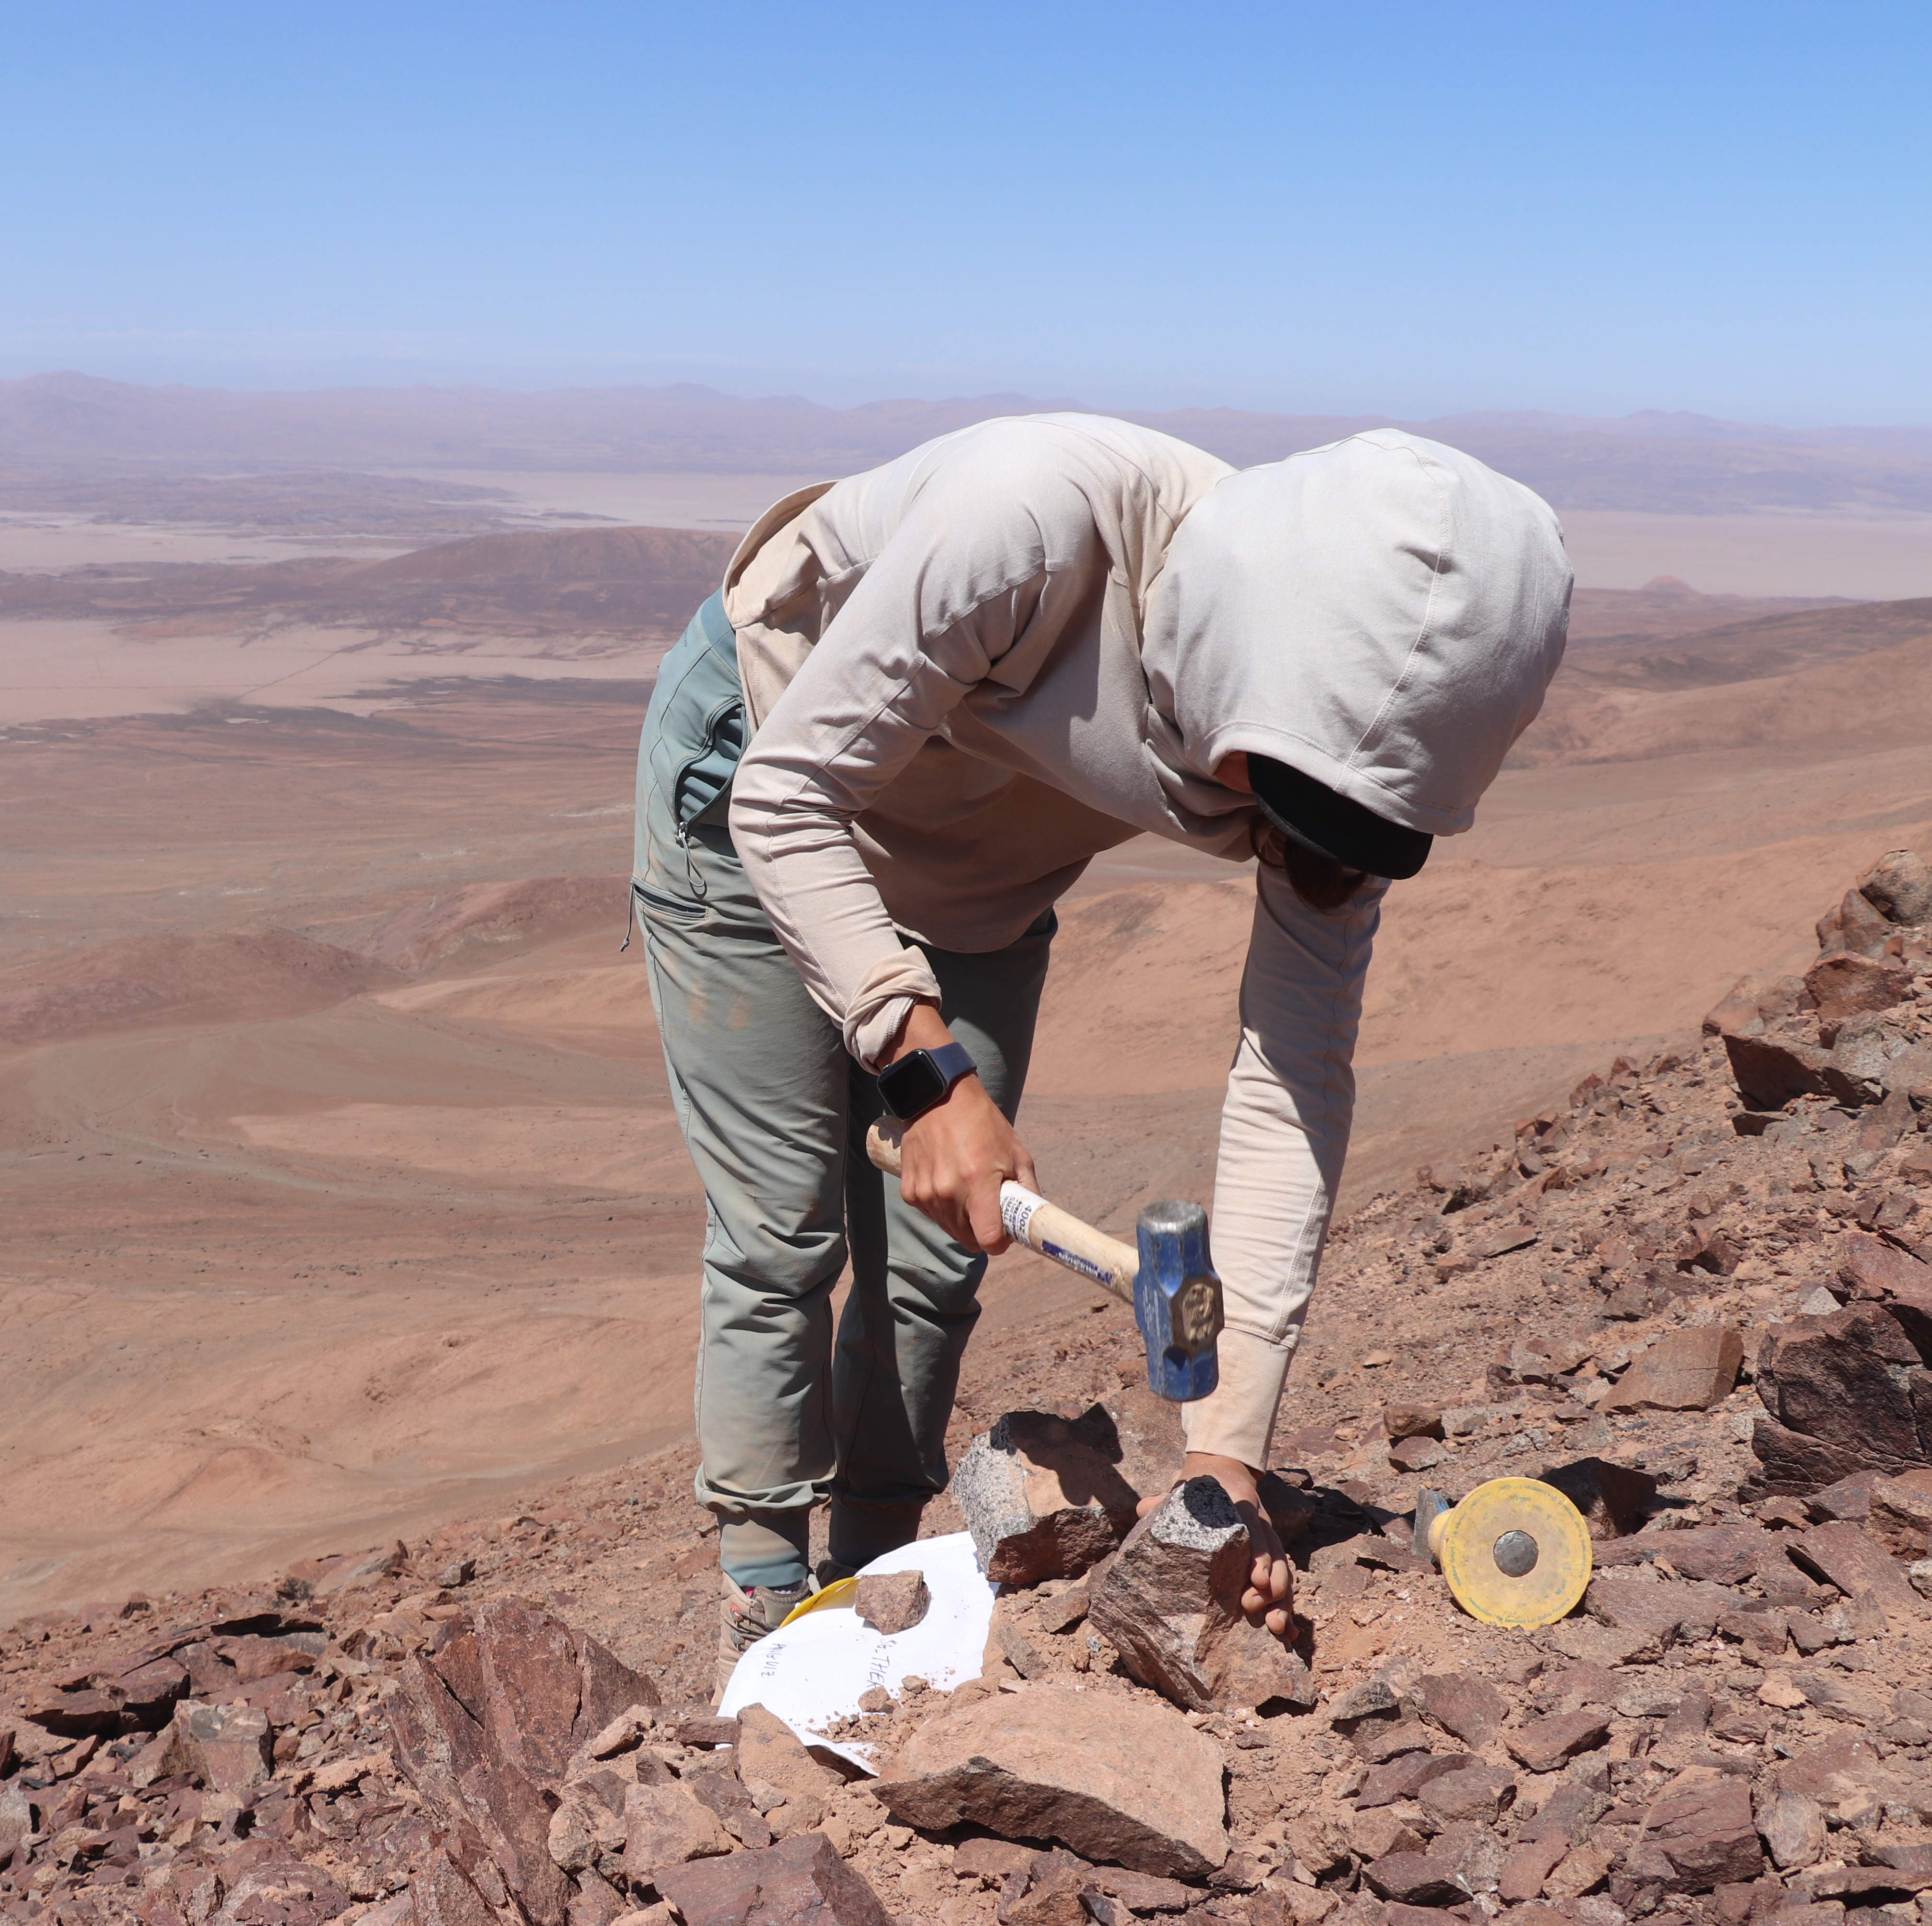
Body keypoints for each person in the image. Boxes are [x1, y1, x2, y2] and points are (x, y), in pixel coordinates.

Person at [629, 413, 1570, 1674]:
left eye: (1345, 821)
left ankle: (866, 1579)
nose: (1279, 829)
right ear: (1223, 653)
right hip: (770, 771)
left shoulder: (1344, 779)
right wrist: (926, 1074)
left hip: (983, 873)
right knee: (784, 1230)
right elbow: (791, 797)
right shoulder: (1031, 524)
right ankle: (761, 1592)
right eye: (1276, 790)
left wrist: (1224, 1455)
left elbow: (1293, 1078)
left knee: (935, 1260)